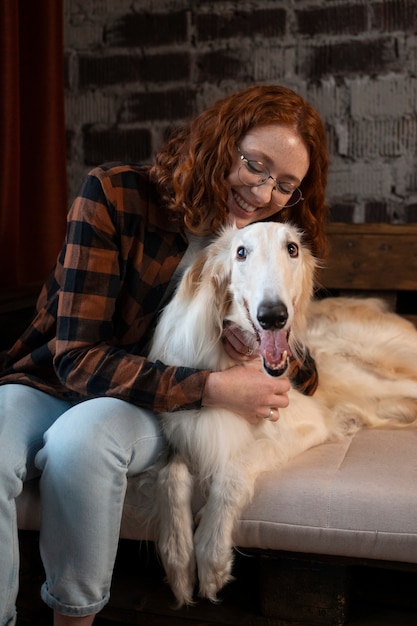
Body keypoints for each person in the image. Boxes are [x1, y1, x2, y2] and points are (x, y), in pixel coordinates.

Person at [0, 84, 329, 625]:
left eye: (285, 185)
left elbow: (304, 368)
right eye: (254, 164)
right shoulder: (114, 194)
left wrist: (257, 346)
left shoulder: (261, 247)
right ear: (219, 142)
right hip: (53, 379)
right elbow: (75, 358)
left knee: (81, 442)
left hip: (143, 406)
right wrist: (212, 386)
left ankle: (73, 618)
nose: (262, 190)